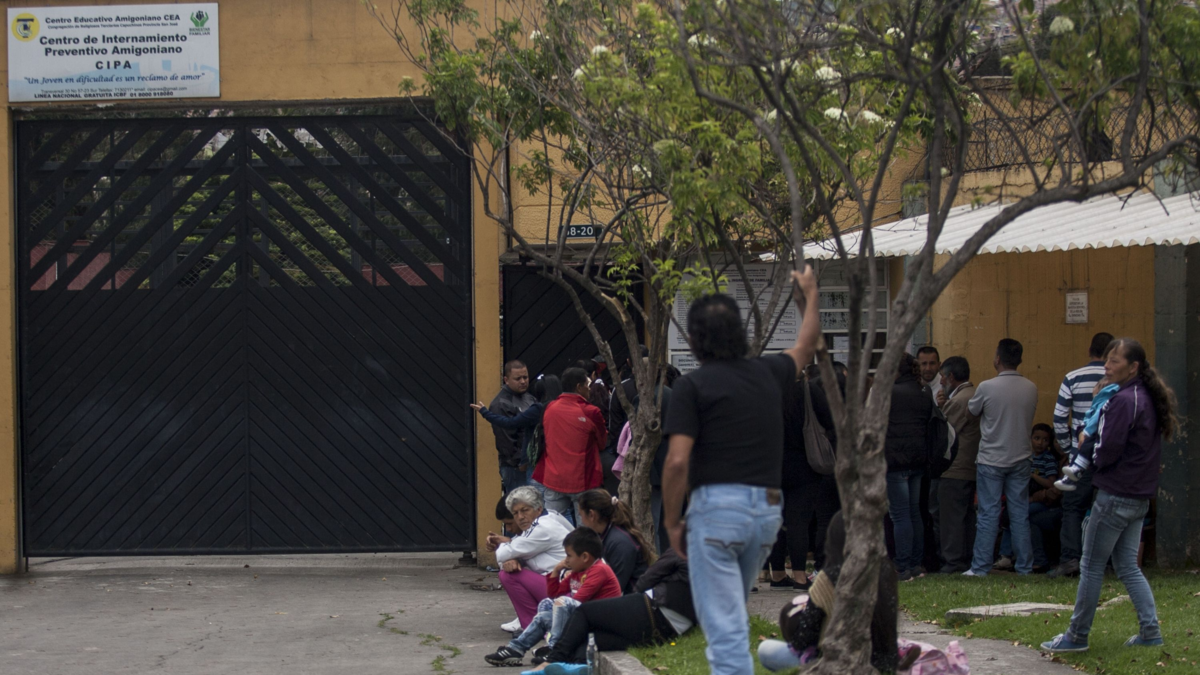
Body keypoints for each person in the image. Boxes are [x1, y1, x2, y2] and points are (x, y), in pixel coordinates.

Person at [663, 267, 821, 675]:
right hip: (766, 511)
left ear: (693, 339)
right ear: (741, 332)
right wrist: (809, 295)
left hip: (717, 511)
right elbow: (807, 344)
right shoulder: (770, 372)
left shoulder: (691, 386)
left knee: (724, 622)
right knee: (732, 605)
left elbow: (677, 461)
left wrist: (672, 520)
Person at [1042, 338, 1176, 654]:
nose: (1107, 366)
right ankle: (1150, 631)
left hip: (1115, 495)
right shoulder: (1144, 397)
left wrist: (1086, 444)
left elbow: (1107, 449)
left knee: (1090, 566)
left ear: (1133, 367)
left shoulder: (1123, 400)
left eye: (1114, 361)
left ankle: (1077, 636)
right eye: (1107, 359)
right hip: (1138, 498)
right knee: (1128, 565)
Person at [757, 511, 899, 673]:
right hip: (882, 662)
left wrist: (793, 620)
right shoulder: (885, 572)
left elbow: (803, 639)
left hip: (840, 663)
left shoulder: (830, 576)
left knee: (766, 649)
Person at [536, 547, 696, 668]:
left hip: (652, 609)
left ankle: (551, 661)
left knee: (584, 613)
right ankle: (576, 666)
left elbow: (648, 578)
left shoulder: (685, 547)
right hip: (668, 631)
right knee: (591, 639)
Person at [485, 527, 622, 667]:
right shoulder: (578, 571)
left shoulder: (599, 570)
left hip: (600, 624)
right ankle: (516, 649)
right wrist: (557, 570)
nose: (566, 560)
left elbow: (577, 602)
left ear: (585, 557)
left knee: (563, 602)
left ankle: (555, 651)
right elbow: (554, 593)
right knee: (545, 609)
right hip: (583, 620)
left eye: (569, 556)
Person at [965, 339, 1038, 576]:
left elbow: (971, 413)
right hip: (1021, 457)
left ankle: (980, 567)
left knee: (988, 514)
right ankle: (1025, 566)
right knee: (1019, 514)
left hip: (991, 458)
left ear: (998, 359)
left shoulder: (986, 387)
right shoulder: (1031, 387)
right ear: (1020, 359)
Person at [1048, 332, 1113, 579]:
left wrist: (1069, 449)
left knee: (1073, 508)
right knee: (1107, 508)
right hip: (1109, 455)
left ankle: (1070, 560)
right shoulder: (1117, 380)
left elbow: (1059, 418)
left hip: (1080, 456)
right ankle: (1105, 561)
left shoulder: (1073, 378)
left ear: (1089, 350)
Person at [775, 364, 841, 591]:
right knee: (798, 522)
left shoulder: (767, 391)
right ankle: (800, 577)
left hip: (772, 464)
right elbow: (830, 420)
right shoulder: (808, 390)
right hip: (804, 463)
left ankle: (777, 574)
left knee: (776, 520)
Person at [490, 486, 574, 631]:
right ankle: (536, 621)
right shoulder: (551, 516)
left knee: (508, 575)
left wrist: (505, 544)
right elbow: (517, 550)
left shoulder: (542, 528)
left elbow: (502, 555)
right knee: (516, 566)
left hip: (566, 592)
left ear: (538, 509)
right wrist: (512, 551)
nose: (520, 517)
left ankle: (531, 625)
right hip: (568, 587)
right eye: (516, 513)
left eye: (525, 510)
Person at [884, 352, 933, 581]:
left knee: (900, 515)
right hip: (918, 459)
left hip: (895, 461)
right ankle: (915, 564)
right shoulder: (924, 391)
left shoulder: (890, 392)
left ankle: (902, 567)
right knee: (914, 513)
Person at [536, 368, 607, 524]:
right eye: (587, 384)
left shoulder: (549, 408)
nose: (589, 388)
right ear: (579, 387)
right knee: (586, 529)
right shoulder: (591, 412)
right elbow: (602, 443)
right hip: (583, 479)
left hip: (553, 477)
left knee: (551, 526)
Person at [474, 375, 564, 489]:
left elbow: (510, 423)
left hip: (539, 463)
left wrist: (485, 412)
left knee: (535, 496)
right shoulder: (566, 408)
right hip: (562, 463)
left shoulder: (539, 409)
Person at [996, 424, 1064, 572]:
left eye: (1045, 440)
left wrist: (1033, 475)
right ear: (1030, 438)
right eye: (1037, 438)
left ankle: (1011, 555)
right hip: (1024, 497)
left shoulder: (1048, 459)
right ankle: (1005, 555)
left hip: (1042, 502)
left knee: (1016, 515)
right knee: (1011, 516)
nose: (1040, 443)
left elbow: (1051, 483)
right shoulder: (1027, 457)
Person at [935, 356, 979, 574]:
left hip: (955, 468)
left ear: (951, 377)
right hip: (970, 466)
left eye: (943, 376)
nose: (941, 381)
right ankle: (964, 558)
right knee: (966, 517)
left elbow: (944, 431)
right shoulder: (974, 394)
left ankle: (953, 561)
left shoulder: (960, 400)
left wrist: (940, 409)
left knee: (951, 519)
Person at [576, 489, 655, 593]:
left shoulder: (619, 543)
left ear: (591, 515)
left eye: (581, 515)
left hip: (636, 598)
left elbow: (615, 588)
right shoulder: (603, 535)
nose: (581, 521)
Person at [1054, 379, 1118, 492]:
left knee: (1085, 448)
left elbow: (1096, 418)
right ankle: (1069, 479)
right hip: (1091, 445)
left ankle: (1076, 471)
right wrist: (1083, 427)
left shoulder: (1103, 402)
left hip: (1093, 438)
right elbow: (1088, 417)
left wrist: (1085, 431)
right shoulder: (1098, 403)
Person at [489, 361, 538, 496]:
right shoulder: (501, 404)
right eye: (518, 378)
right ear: (506, 380)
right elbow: (505, 441)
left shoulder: (529, 397)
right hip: (516, 467)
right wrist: (520, 463)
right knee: (520, 504)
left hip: (531, 463)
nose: (523, 381)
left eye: (525, 377)